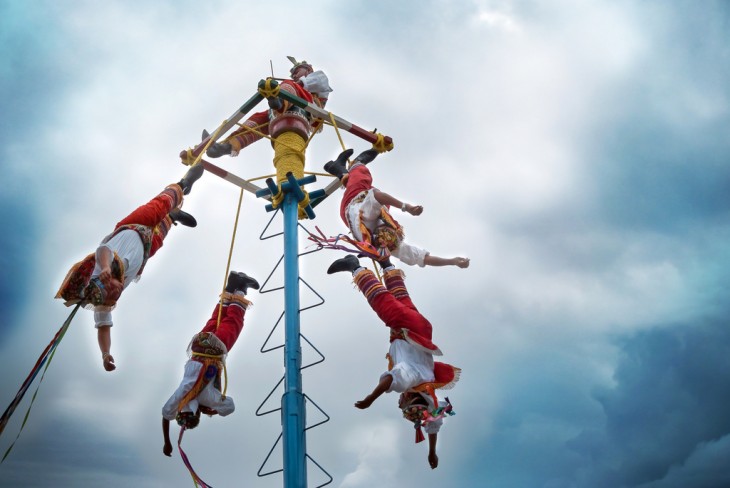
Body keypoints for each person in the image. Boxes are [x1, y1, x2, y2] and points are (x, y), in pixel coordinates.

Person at [55, 164, 204, 372]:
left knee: (158, 206)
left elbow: (102, 250)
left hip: (133, 226)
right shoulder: (103, 301)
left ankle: (183, 185)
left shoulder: (101, 271)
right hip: (144, 250)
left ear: (104, 282)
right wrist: (105, 355)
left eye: (112, 291)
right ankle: (172, 217)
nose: (117, 293)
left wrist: (106, 267)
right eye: (115, 297)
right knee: (160, 236)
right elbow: (103, 328)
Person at [327, 254, 460, 469]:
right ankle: (354, 266)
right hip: (406, 327)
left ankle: (385, 263)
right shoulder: (411, 380)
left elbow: (434, 424)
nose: (399, 403)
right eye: (403, 404)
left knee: (400, 299)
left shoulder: (427, 386)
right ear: (409, 398)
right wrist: (371, 398)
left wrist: (432, 452)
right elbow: (390, 379)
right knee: (382, 303)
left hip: (420, 329)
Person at [161, 270, 260, 457]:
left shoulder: (206, 397)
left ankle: (240, 289)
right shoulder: (179, 397)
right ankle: (231, 287)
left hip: (214, 351)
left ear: (197, 412)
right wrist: (166, 442)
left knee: (233, 323)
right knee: (216, 320)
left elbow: (229, 407)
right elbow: (165, 416)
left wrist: (212, 409)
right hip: (199, 345)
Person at [323, 148, 470, 269]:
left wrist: (406, 207)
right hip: (354, 213)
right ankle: (338, 169)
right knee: (377, 201)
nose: (385, 226)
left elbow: (378, 196)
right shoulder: (392, 246)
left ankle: (357, 163)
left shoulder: (370, 216)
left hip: (354, 202)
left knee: (362, 178)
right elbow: (424, 259)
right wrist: (452, 261)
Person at [205, 56, 333, 158]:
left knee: (288, 85)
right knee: (259, 118)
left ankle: (279, 101)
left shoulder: (318, 77)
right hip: (284, 111)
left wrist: (284, 88)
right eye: (293, 74)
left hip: (307, 107)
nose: (294, 76)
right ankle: (226, 146)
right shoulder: (296, 83)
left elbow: (316, 83)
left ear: (308, 70)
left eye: (297, 72)